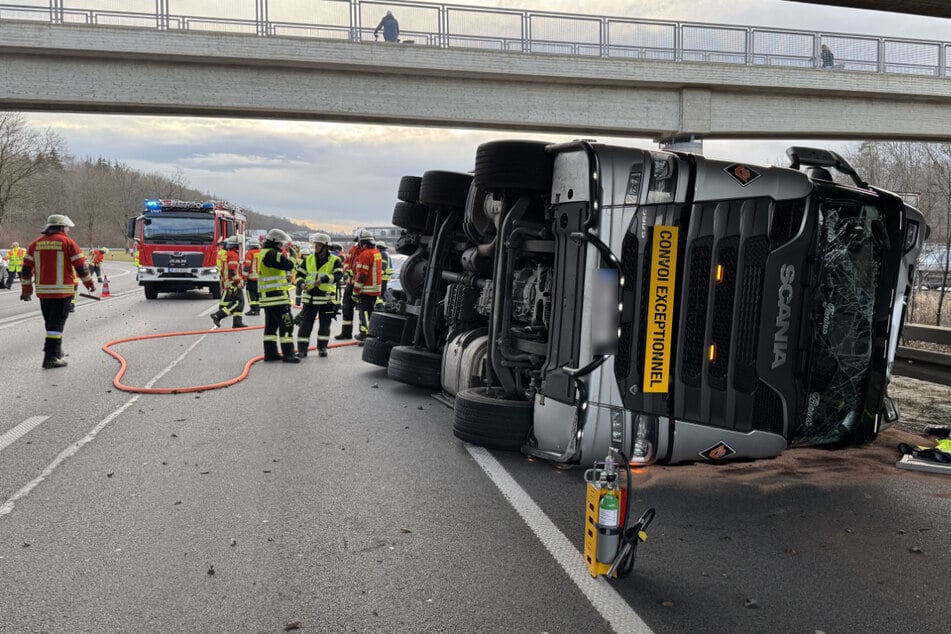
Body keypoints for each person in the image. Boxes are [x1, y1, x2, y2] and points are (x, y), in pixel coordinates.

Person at [19, 214, 96, 369]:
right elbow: (81, 267)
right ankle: (50, 358)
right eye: (67, 228)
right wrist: (89, 284)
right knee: (56, 326)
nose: (68, 230)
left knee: (50, 323)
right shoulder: (68, 243)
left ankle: (55, 350)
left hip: (43, 293)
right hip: (63, 292)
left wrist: (26, 290)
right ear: (62, 227)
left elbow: (26, 270)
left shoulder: (36, 244)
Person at [295, 233, 343, 358]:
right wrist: (300, 284)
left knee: (324, 326)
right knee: (305, 326)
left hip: (326, 300)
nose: (315, 247)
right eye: (315, 244)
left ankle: (322, 348)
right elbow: (299, 275)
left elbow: (338, 276)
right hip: (310, 298)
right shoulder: (308, 259)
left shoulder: (335, 260)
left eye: (318, 244)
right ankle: (302, 350)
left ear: (325, 246)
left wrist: (324, 279)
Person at [257, 229, 299, 363]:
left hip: (268, 297)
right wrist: (293, 255)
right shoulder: (273, 253)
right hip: (277, 296)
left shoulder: (263, 253)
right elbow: (289, 265)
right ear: (275, 242)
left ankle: (271, 354)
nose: (282, 247)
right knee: (287, 324)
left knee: (271, 326)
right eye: (281, 244)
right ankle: (289, 354)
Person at [352, 229, 383, 343]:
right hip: (375, 288)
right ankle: (366, 333)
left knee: (365, 313)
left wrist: (355, 290)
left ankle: (366, 335)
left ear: (362, 242)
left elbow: (362, 276)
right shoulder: (376, 252)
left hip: (366, 289)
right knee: (369, 312)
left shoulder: (364, 254)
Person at [209, 236, 247, 329]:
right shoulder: (233, 255)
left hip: (227, 282)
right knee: (238, 302)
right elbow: (232, 270)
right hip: (232, 283)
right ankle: (218, 315)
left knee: (240, 302)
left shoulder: (227, 254)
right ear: (236, 245)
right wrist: (237, 281)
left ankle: (237, 322)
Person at [334, 234, 361, 341]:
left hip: (361, 285)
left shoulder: (366, 252)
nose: (358, 243)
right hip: (351, 283)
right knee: (346, 307)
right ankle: (346, 332)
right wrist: (347, 269)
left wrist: (353, 272)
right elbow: (346, 262)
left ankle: (363, 333)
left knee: (362, 310)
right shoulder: (353, 249)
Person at [243, 238, 262, 316]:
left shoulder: (250, 253)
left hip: (252, 277)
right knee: (258, 294)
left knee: (250, 294)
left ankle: (253, 309)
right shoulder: (261, 252)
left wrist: (244, 278)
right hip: (261, 278)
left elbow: (247, 266)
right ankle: (257, 309)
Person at [376, 241, 393, 306]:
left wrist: (379, 274)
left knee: (380, 292)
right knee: (383, 291)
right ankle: (383, 304)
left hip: (382, 276)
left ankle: (380, 305)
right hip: (385, 276)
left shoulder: (382, 254)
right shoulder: (386, 254)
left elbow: (383, 266)